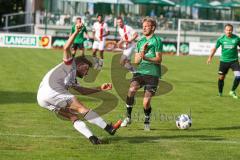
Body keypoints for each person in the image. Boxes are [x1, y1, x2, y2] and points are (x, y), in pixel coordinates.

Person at [37, 24, 121, 145]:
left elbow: (83, 91)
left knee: (72, 116)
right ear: (82, 65)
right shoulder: (70, 64)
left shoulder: (72, 79)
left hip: (42, 98)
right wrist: (76, 31)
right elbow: (66, 48)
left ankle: (93, 139)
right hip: (53, 90)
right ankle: (109, 128)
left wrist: (100, 88)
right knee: (82, 109)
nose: (87, 73)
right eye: (87, 70)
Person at [120, 17, 163, 131]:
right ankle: (128, 117)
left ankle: (147, 120)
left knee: (146, 102)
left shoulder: (157, 40)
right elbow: (136, 61)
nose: (143, 28)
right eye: (143, 26)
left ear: (153, 28)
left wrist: (145, 57)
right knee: (131, 90)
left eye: (146, 26)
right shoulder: (140, 42)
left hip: (153, 74)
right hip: (140, 72)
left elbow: (159, 59)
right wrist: (141, 53)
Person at [207, 24, 240, 99]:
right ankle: (220, 92)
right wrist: (210, 57)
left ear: (232, 30)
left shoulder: (237, 38)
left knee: (238, 76)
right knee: (221, 78)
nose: (229, 31)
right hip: (224, 61)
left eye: (230, 30)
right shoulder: (221, 39)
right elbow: (214, 49)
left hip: (234, 61)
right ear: (225, 30)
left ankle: (232, 91)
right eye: (227, 30)